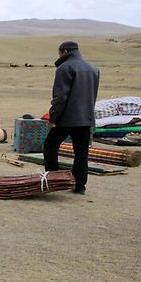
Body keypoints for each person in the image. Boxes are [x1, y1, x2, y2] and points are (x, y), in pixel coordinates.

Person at [43, 41, 100, 195]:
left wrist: (53, 118)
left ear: (65, 51)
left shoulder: (64, 68)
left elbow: (60, 97)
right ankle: (80, 185)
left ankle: (53, 180)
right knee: (81, 153)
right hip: (85, 118)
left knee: (50, 146)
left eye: (59, 53)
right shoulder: (93, 69)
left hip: (67, 118)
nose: (59, 56)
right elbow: (93, 96)